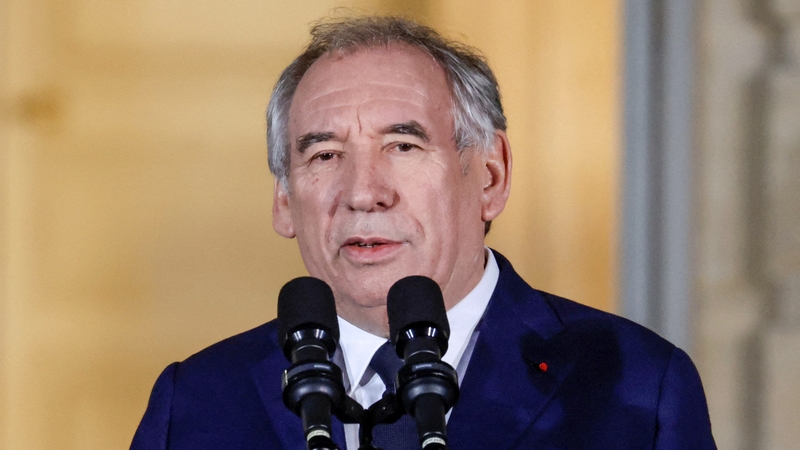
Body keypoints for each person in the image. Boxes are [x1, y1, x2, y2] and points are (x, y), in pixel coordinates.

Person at [131, 16, 716, 449]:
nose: (364, 192)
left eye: (403, 146)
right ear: (284, 199)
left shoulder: (638, 390)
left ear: (491, 175)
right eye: (325, 154)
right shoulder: (196, 403)